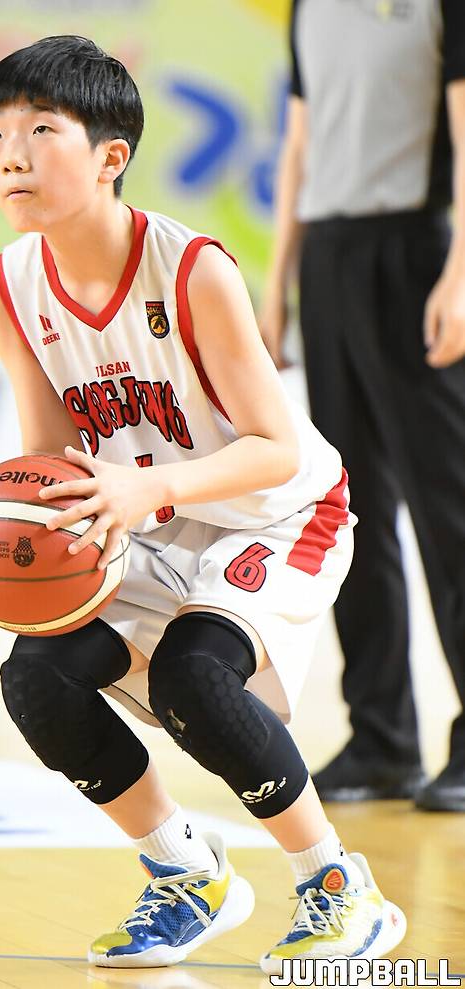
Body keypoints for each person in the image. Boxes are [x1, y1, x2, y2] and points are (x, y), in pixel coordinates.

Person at [0, 36, 406, 972]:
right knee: (36, 676)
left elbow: (275, 444)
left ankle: (339, 887)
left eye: (40, 131)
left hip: (278, 509)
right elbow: (54, 458)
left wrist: (150, 486)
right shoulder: (10, 285)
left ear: (111, 156)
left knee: (195, 672)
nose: (11, 156)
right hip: (145, 511)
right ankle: (187, 872)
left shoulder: (192, 270)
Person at [259, 0, 465, 810]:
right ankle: (382, 739)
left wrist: (460, 273)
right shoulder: (308, 6)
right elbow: (299, 143)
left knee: (450, 506)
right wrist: (277, 283)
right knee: (350, 507)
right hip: (329, 258)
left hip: (416, 250)